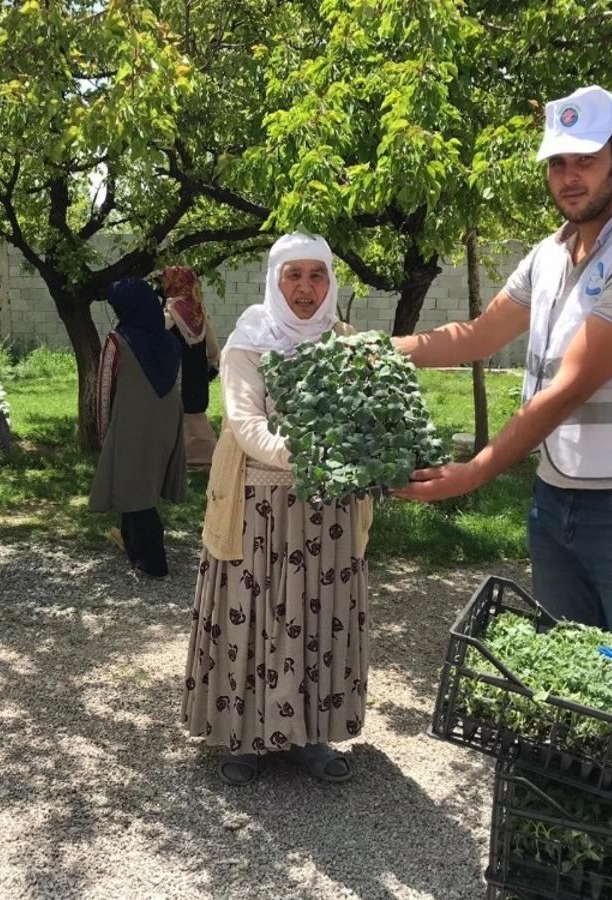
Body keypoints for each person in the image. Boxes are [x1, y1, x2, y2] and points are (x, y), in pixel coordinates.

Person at [394, 86, 612, 647]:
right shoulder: (550, 254)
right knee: (567, 670)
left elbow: (568, 389)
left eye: (585, 161)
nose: (569, 177)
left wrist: (474, 473)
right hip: (556, 496)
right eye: (557, 163)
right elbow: (478, 335)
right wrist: (375, 348)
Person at [182, 233, 374, 786]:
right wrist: (312, 452)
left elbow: (367, 417)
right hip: (258, 510)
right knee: (253, 611)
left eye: (317, 275)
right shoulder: (250, 341)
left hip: (328, 509)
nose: (306, 288)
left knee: (319, 611)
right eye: (294, 275)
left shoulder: (346, 342)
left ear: (330, 281)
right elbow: (245, 424)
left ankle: (311, 734)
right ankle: (243, 736)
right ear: (275, 279)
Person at [89, 278, 187, 578]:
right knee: (140, 486)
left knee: (137, 494)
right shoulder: (170, 342)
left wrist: (104, 433)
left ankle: (153, 563)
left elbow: (105, 389)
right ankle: (132, 549)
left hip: (131, 423)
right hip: (167, 423)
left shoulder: (117, 340)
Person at [160, 266, 220, 468]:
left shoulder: (172, 309)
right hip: (197, 367)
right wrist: (213, 361)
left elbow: (160, 330)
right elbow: (211, 340)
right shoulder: (198, 309)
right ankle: (197, 456)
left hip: (178, 368)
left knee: (181, 414)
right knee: (195, 414)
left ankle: (204, 456)